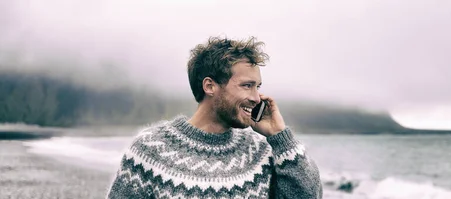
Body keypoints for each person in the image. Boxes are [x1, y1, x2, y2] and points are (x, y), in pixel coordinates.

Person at [106, 36, 323, 198]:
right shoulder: (151, 148)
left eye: (258, 87)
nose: (257, 98)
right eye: (247, 86)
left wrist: (280, 138)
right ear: (210, 86)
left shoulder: (262, 152)